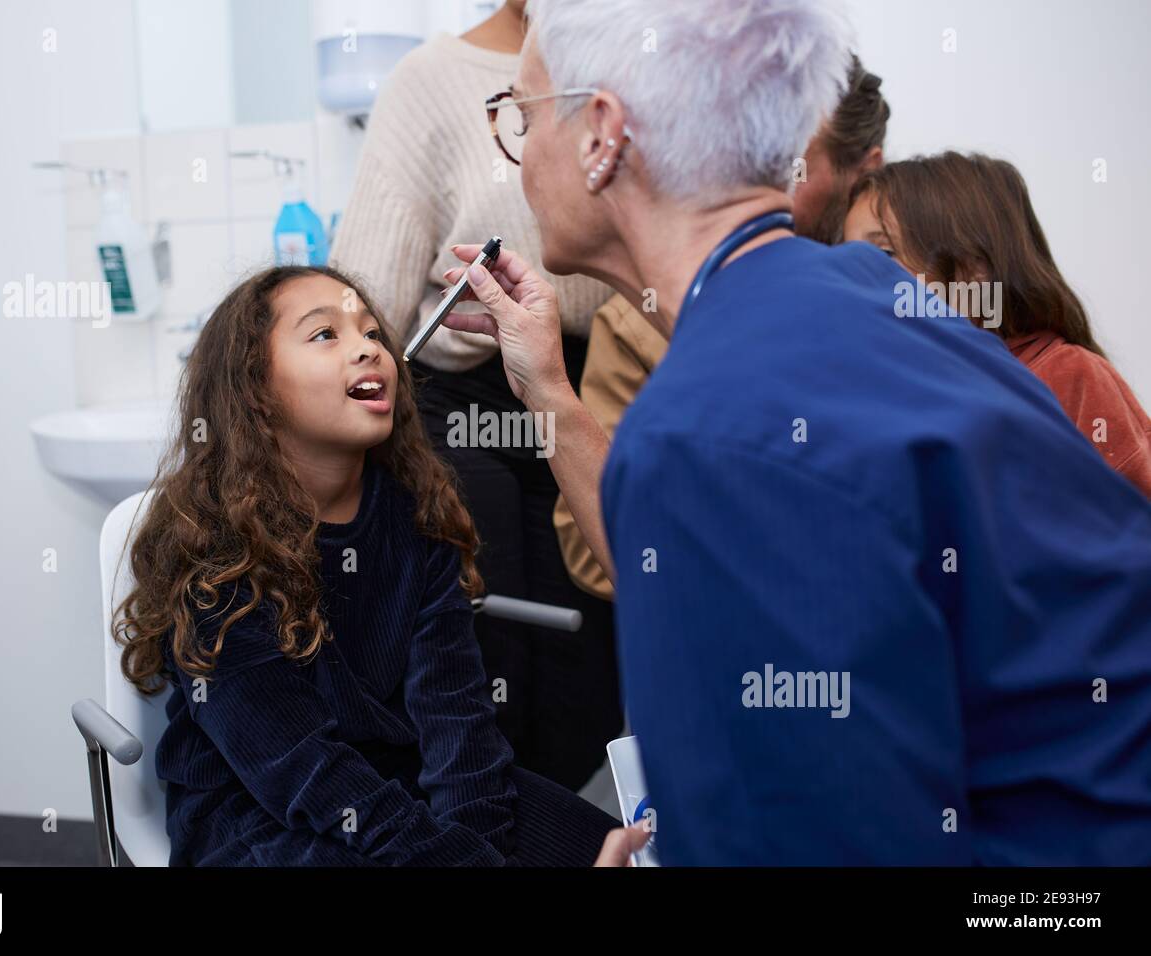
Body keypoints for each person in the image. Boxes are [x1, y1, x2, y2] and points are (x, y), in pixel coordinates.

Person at [440, 0, 1151, 865]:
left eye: (520, 114)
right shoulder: (880, 299)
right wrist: (544, 384)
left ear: (602, 135)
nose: (514, 156)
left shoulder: (707, 429)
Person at [113, 265, 618, 866]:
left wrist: (477, 844)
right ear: (253, 388)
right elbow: (298, 769)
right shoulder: (216, 549)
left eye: (373, 332)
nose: (367, 348)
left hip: (400, 791)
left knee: (602, 849)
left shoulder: (420, 518)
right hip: (258, 814)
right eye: (325, 334)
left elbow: (458, 726)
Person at [328, 0, 622, 793]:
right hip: (467, 404)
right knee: (493, 664)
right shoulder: (429, 81)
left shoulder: (622, 67)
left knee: (590, 676)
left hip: (592, 382)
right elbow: (367, 292)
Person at [554, 54, 890, 599]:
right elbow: (590, 549)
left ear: (865, 169)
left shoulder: (914, 305)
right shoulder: (634, 322)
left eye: (790, 164)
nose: (761, 187)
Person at [844, 152, 1151, 496]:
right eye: (844, 255)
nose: (849, 274)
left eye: (883, 253)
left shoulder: (1069, 377)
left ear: (974, 269)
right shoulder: (875, 389)